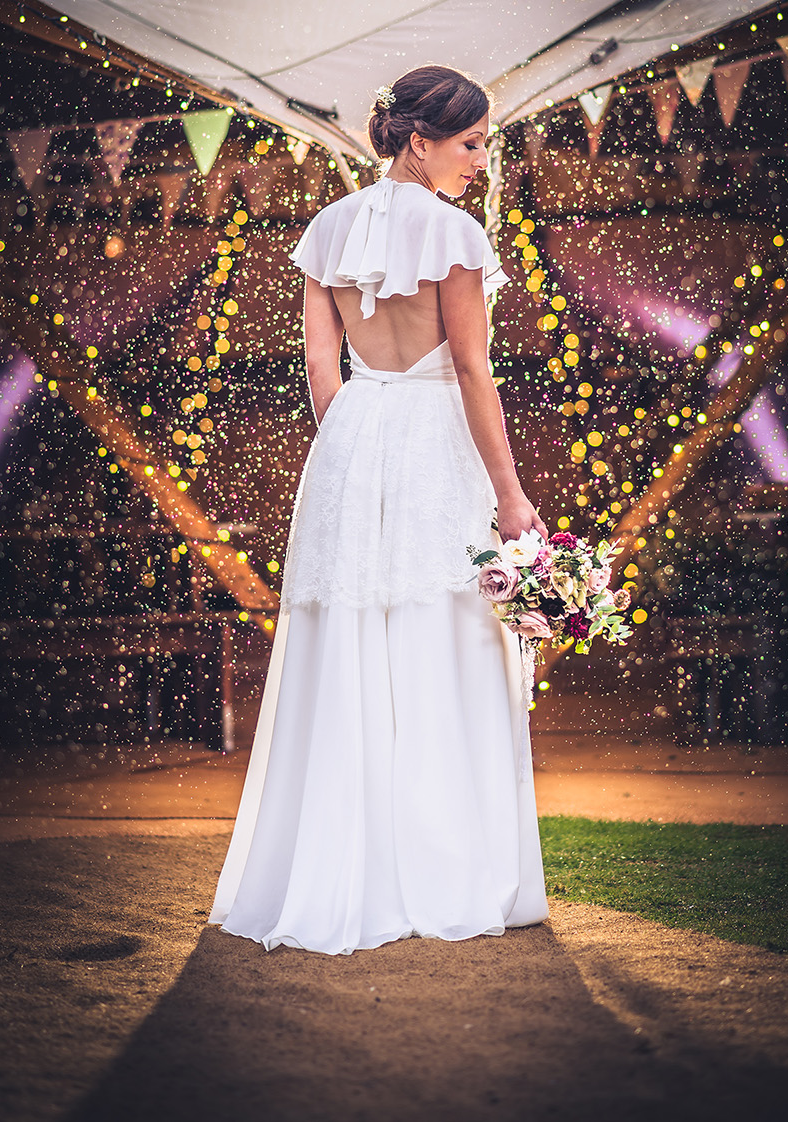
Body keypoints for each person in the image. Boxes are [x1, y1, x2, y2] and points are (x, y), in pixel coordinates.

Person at [209, 64, 549, 955]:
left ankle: (339, 868)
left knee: (350, 640)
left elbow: (325, 372)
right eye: (472, 142)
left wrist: (356, 449)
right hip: (436, 439)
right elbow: (473, 373)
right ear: (420, 139)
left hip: (351, 443)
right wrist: (511, 496)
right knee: (444, 638)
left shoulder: (325, 232)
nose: (482, 159)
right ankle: (446, 868)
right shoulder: (457, 234)